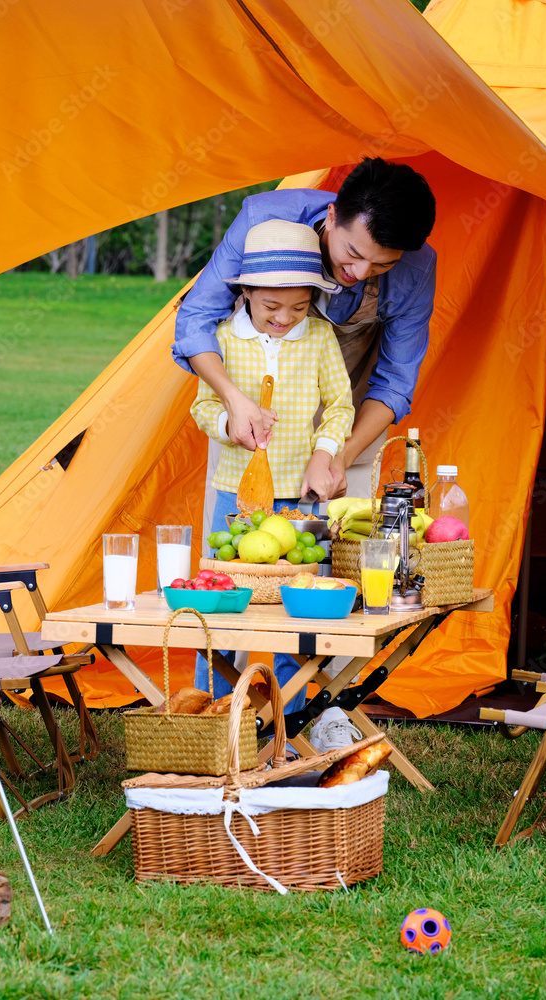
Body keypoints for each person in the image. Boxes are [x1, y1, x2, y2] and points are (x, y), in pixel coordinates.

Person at [173, 157, 437, 503]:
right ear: (331, 216)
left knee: (338, 544)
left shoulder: (417, 269)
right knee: (235, 543)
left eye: (382, 264)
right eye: (353, 253)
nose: (360, 272)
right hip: (248, 414)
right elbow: (197, 317)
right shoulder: (262, 219)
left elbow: (395, 383)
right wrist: (233, 401)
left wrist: (338, 456)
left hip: (346, 413)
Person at [191, 219, 355, 716]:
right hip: (234, 498)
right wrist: (229, 425)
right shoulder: (222, 338)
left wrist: (323, 455)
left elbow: (341, 407)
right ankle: (209, 712)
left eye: (299, 307)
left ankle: (290, 716)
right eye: (270, 307)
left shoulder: (321, 339)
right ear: (244, 293)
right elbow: (202, 409)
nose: (284, 318)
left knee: (295, 617)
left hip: (297, 503)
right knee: (216, 611)